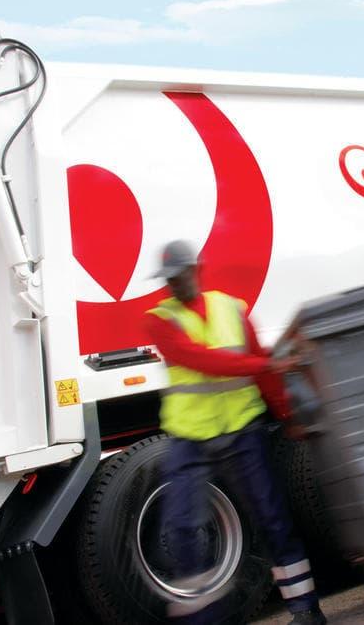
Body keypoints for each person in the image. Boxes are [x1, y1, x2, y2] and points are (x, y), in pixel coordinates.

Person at [144, 240, 327, 624]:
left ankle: (306, 610)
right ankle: (204, 619)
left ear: (196, 269)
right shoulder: (160, 319)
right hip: (189, 437)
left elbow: (259, 359)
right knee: (180, 528)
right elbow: (201, 360)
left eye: (179, 276)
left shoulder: (232, 309)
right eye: (168, 280)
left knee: (272, 518)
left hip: (243, 430)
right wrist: (267, 366)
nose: (174, 285)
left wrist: (286, 415)